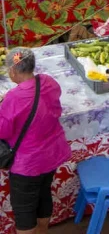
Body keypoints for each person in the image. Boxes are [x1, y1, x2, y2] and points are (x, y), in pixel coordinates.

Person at [0, 48, 71, 234]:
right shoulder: (48, 82)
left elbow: (3, 131)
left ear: (13, 71)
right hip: (52, 155)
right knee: (43, 195)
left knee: (24, 210)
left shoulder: (14, 98)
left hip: (28, 164)